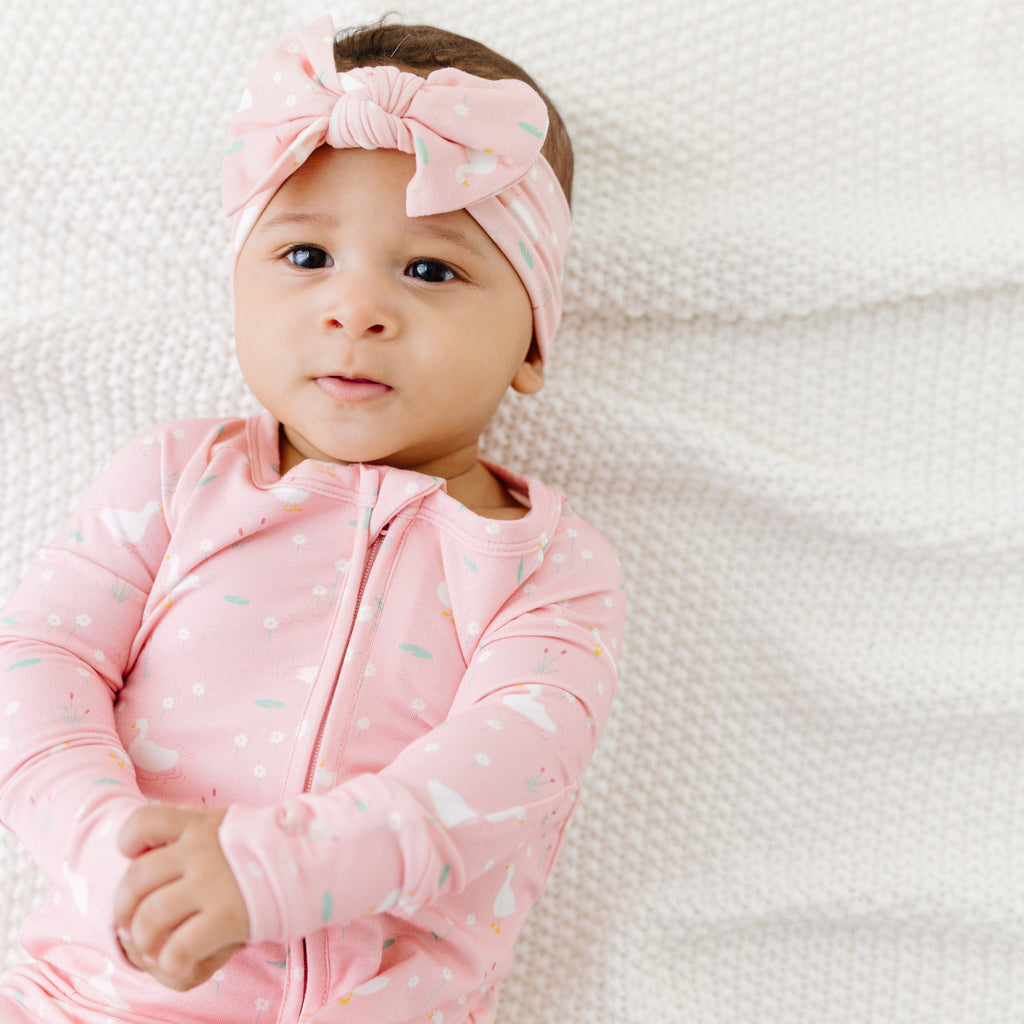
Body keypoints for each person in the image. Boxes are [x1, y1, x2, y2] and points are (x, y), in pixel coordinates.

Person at [0, 13, 624, 1024]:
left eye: (430, 270)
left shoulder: (551, 568)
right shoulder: (171, 483)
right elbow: (36, 667)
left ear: (531, 343)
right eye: (304, 254)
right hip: (89, 994)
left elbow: (511, 773)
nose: (355, 308)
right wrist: (109, 849)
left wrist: (270, 871)